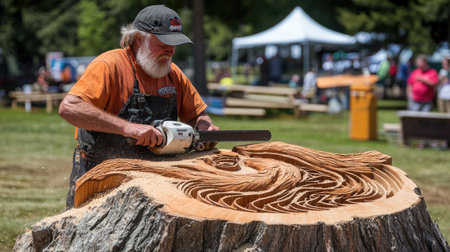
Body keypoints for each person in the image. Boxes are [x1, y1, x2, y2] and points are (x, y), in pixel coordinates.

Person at [59, 5, 219, 209]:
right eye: (163, 43)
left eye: (174, 44)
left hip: (155, 175)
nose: (170, 50)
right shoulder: (110, 65)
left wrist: (205, 128)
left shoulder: (173, 74)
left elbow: (197, 115)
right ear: (138, 39)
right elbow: (69, 108)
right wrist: (128, 128)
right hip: (100, 172)